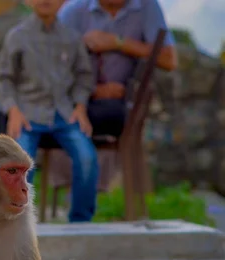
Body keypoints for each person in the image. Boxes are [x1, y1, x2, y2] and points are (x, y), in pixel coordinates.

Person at [0, 0, 98, 223]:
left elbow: (84, 76)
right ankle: (16, 223)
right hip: (28, 113)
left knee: (87, 158)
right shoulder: (18, 36)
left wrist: (80, 106)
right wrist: (13, 110)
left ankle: (80, 222)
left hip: (64, 113)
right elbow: (2, 79)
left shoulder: (71, 37)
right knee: (18, 165)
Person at [56, 0, 178, 190]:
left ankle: (98, 189)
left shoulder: (147, 6)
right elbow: (51, 69)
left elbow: (169, 60)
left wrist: (117, 42)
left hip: (120, 106)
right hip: (79, 101)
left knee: (109, 115)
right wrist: (93, 91)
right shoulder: (73, 10)